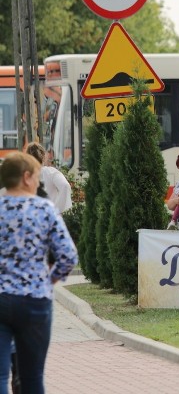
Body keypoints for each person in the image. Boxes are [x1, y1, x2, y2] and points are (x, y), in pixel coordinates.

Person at [0, 152, 78, 394]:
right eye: (36, 178)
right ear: (25, 177)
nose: (37, 183)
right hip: (35, 300)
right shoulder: (45, 209)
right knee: (33, 377)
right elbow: (68, 256)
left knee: (1, 377)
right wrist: (49, 279)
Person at [24, 142, 72, 213]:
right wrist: (56, 210)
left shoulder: (22, 175)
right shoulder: (51, 172)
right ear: (43, 156)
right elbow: (65, 186)